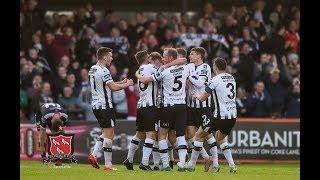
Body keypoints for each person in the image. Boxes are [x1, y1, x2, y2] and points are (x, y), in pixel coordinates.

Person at [136, 48, 190, 171]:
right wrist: (170, 63)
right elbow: (183, 59)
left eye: (164, 57)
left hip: (167, 107)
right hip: (181, 106)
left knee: (161, 135)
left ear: (170, 58)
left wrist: (137, 74)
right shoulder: (185, 68)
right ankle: (182, 163)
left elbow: (145, 80)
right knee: (180, 135)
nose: (162, 59)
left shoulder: (163, 72)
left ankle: (165, 164)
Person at [185, 57, 237, 173]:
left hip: (219, 116)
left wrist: (197, 95)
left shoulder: (215, 79)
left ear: (215, 67)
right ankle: (231, 166)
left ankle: (192, 165)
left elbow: (203, 98)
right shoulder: (231, 77)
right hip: (232, 116)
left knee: (199, 135)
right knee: (220, 138)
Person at [87, 47, 134, 171]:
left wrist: (120, 81)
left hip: (96, 105)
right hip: (105, 106)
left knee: (106, 132)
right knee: (109, 134)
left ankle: (93, 154)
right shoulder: (104, 70)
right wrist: (127, 84)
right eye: (110, 56)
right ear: (104, 57)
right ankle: (108, 165)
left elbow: (106, 84)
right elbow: (112, 88)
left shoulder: (93, 68)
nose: (112, 58)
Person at [123, 50, 158, 171]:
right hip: (150, 106)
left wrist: (137, 74)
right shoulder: (151, 67)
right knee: (151, 134)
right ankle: (144, 163)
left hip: (141, 105)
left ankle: (129, 159)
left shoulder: (140, 69)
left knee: (139, 134)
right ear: (147, 58)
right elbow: (161, 73)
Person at [185, 47, 218, 172]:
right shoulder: (190, 66)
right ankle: (201, 159)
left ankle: (215, 164)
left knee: (207, 135)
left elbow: (199, 83)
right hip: (190, 106)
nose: (190, 56)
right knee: (190, 135)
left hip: (204, 107)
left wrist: (189, 75)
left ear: (199, 55)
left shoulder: (205, 67)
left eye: (192, 54)